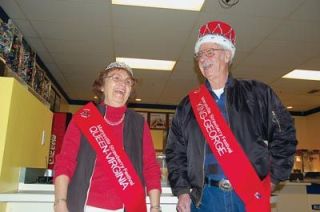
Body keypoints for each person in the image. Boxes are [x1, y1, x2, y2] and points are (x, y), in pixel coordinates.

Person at [165, 20, 297, 212]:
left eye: (210, 52)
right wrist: (183, 190)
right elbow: (175, 153)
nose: (203, 58)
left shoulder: (258, 94)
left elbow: (285, 135)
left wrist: (273, 179)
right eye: (200, 54)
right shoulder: (188, 105)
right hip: (205, 199)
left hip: (248, 196)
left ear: (227, 55)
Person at [53, 62, 161, 212]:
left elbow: (150, 167)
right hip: (85, 206)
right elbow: (65, 161)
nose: (122, 84)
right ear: (102, 86)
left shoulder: (139, 124)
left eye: (128, 82)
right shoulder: (84, 117)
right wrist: (60, 201)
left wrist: (155, 207)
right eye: (116, 78)